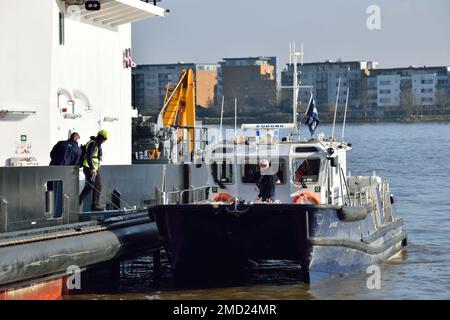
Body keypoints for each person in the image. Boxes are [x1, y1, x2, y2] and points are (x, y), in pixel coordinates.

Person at [79, 130, 109, 211]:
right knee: (90, 186)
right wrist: (92, 168)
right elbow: (89, 156)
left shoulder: (97, 144)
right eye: (104, 139)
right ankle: (78, 201)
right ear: (101, 137)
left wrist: (95, 168)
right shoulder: (93, 143)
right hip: (89, 168)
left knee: (98, 186)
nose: (104, 141)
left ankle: (95, 205)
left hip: (95, 169)